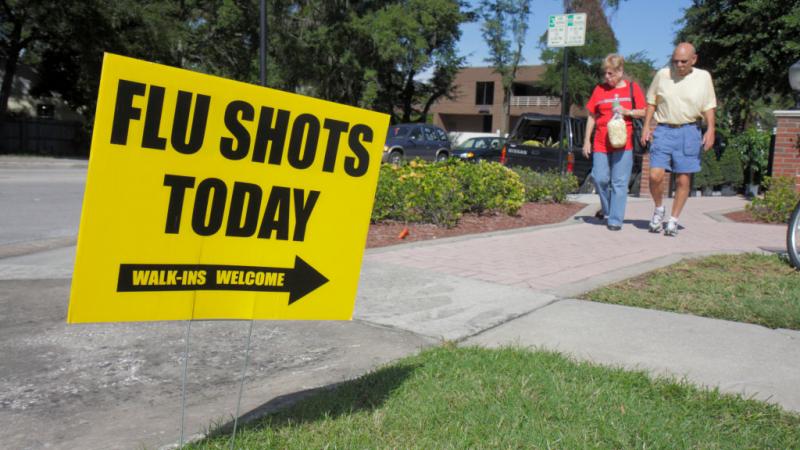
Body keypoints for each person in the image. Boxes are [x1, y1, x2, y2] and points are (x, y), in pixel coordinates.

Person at [641, 42, 716, 237]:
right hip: (664, 130)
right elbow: (651, 102)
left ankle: (673, 220)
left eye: (683, 61)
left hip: (689, 131)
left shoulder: (703, 77)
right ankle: (659, 209)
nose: (679, 65)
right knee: (655, 175)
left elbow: (709, 105)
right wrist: (647, 127)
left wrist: (711, 130)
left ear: (694, 59)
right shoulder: (662, 75)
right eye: (675, 61)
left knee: (683, 179)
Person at [582, 54, 646, 231]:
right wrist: (587, 141)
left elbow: (644, 111)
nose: (607, 77)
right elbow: (591, 115)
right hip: (601, 142)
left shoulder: (632, 89)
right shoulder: (599, 89)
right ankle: (608, 208)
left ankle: (615, 219)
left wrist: (628, 111)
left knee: (619, 182)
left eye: (611, 74)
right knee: (599, 178)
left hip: (623, 143)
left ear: (620, 71)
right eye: (605, 74)